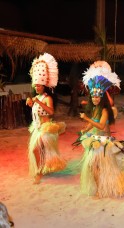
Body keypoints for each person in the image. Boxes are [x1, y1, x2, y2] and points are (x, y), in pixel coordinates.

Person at [78, 61, 124, 199]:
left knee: (101, 168)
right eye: (93, 96)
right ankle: (100, 189)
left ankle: (101, 190)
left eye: (97, 96)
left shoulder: (105, 111)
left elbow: (101, 126)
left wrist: (86, 119)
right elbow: (94, 123)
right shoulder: (95, 109)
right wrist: (85, 129)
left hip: (103, 143)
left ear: (101, 97)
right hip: (95, 140)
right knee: (92, 167)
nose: (95, 98)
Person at [26, 53, 66, 184]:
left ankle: (38, 173)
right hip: (37, 127)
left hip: (46, 128)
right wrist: (31, 103)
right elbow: (35, 111)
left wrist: (38, 102)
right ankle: (42, 168)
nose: (37, 87)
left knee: (35, 149)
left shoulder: (47, 98)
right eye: (35, 85)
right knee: (40, 150)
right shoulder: (37, 98)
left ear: (44, 86)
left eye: (39, 85)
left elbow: (51, 111)